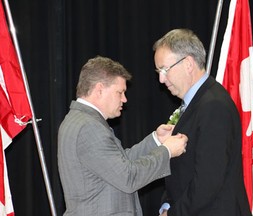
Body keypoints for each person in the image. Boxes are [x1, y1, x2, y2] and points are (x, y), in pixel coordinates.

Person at [57, 55, 188, 216]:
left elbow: (120, 163)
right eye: (120, 92)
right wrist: (167, 151)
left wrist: (157, 140)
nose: (124, 99)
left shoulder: (80, 120)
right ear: (99, 90)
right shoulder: (88, 127)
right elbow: (128, 177)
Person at [153, 29, 252, 216]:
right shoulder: (197, 103)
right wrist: (167, 204)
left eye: (165, 70)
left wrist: (173, 213)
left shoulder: (214, 105)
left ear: (188, 64)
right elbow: (182, 172)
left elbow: (208, 181)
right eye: (158, 71)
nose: (161, 79)